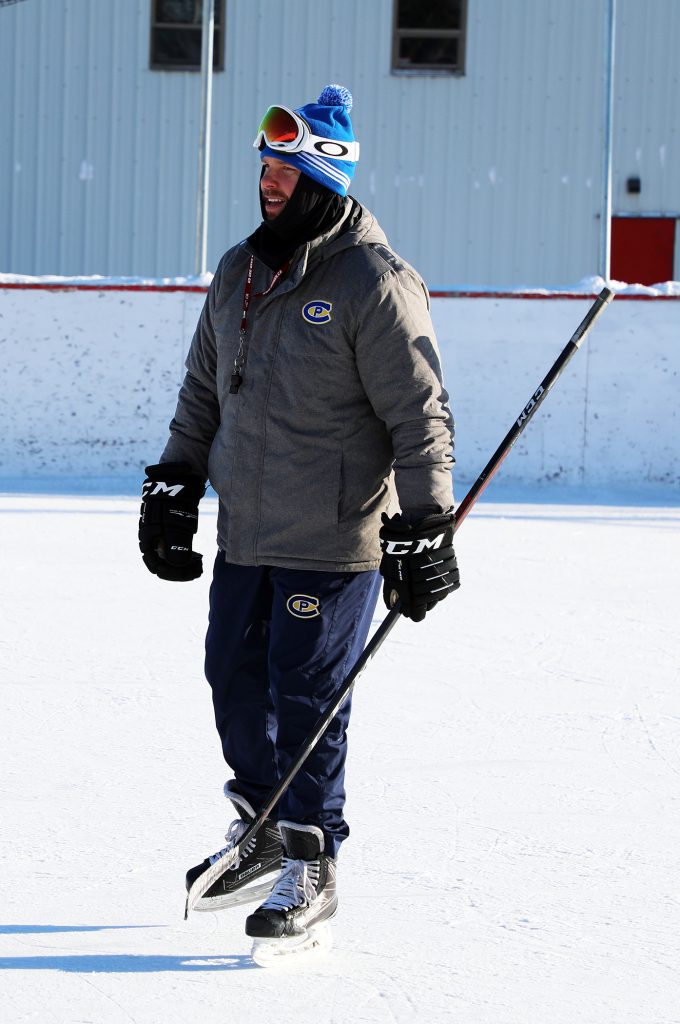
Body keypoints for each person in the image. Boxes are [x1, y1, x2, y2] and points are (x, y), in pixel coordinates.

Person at [138, 85, 460, 949]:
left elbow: (419, 416)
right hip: (249, 529)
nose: (267, 182)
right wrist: (175, 482)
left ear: (324, 174)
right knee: (232, 681)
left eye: (285, 168)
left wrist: (425, 525)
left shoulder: (373, 281)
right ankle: (263, 824)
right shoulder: (241, 269)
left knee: (306, 694)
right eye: (265, 167)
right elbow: (204, 388)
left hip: (334, 537)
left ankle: (312, 859)